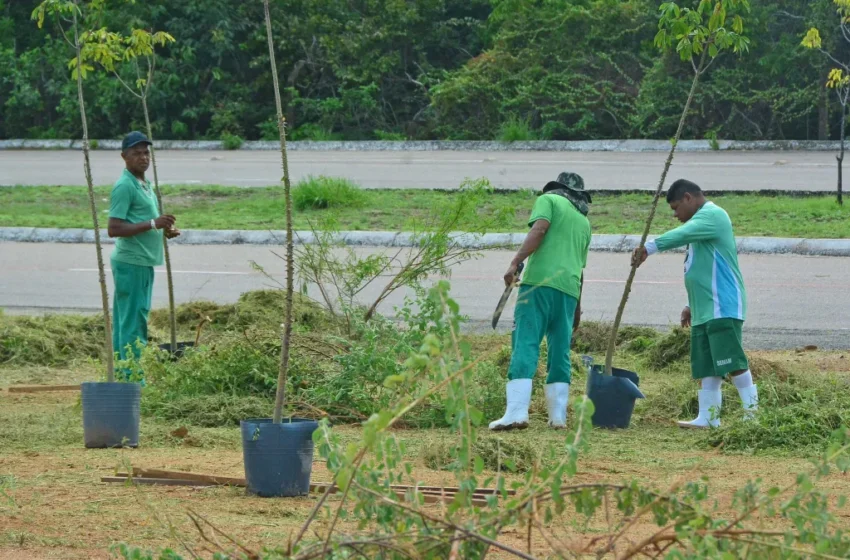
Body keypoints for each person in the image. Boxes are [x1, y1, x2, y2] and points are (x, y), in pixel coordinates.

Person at [632, 179, 758, 428]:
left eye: (676, 208)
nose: (676, 215)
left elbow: (682, 234)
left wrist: (650, 247)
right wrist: (690, 304)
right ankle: (709, 417)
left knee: (732, 363)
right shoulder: (700, 226)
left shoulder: (713, 215)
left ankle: (753, 416)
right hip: (704, 309)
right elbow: (700, 269)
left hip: (722, 306)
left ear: (689, 198)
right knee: (708, 366)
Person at [489, 172, 591, 431]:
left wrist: (515, 262)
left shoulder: (549, 200)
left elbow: (540, 228)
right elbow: (580, 268)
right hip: (568, 291)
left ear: (557, 188)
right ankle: (558, 418)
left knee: (525, 341)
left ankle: (516, 412)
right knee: (560, 350)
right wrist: (577, 305)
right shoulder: (584, 222)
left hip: (539, 285)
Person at [107, 131, 180, 372]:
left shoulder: (145, 184)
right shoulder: (124, 186)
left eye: (146, 153)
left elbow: (143, 219)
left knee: (129, 319)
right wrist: (152, 224)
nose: (143, 158)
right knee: (133, 322)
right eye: (136, 153)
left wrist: (163, 230)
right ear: (124, 157)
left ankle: (123, 370)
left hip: (143, 260)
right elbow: (114, 228)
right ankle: (131, 376)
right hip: (132, 262)